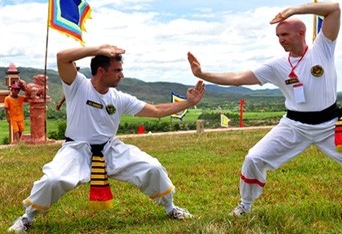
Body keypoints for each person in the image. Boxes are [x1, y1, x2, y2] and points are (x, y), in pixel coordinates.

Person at [187, 1, 342, 220]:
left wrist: (293, 10)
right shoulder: (275, 65)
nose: (281, 40)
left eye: (285, 34)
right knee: (254, 158)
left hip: (330, 126)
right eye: (278, 36)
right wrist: (204, 75)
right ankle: (245, 205)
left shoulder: (323, 48)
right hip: (294, 126)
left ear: (301, 33)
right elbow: (237, 78)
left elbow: (334, 9)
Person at [8, 44, 206, 233]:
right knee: (54, 179)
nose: (122, 74)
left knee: (152, 167)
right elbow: (62, 58)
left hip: (110, 149)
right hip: (76, 149)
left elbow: (156, 111)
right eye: (117, 70)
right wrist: (97, 49)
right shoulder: (78, 86)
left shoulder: (119, 98)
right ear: (101, 71)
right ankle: (27, 217)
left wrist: (188, 102)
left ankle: (171, 208)